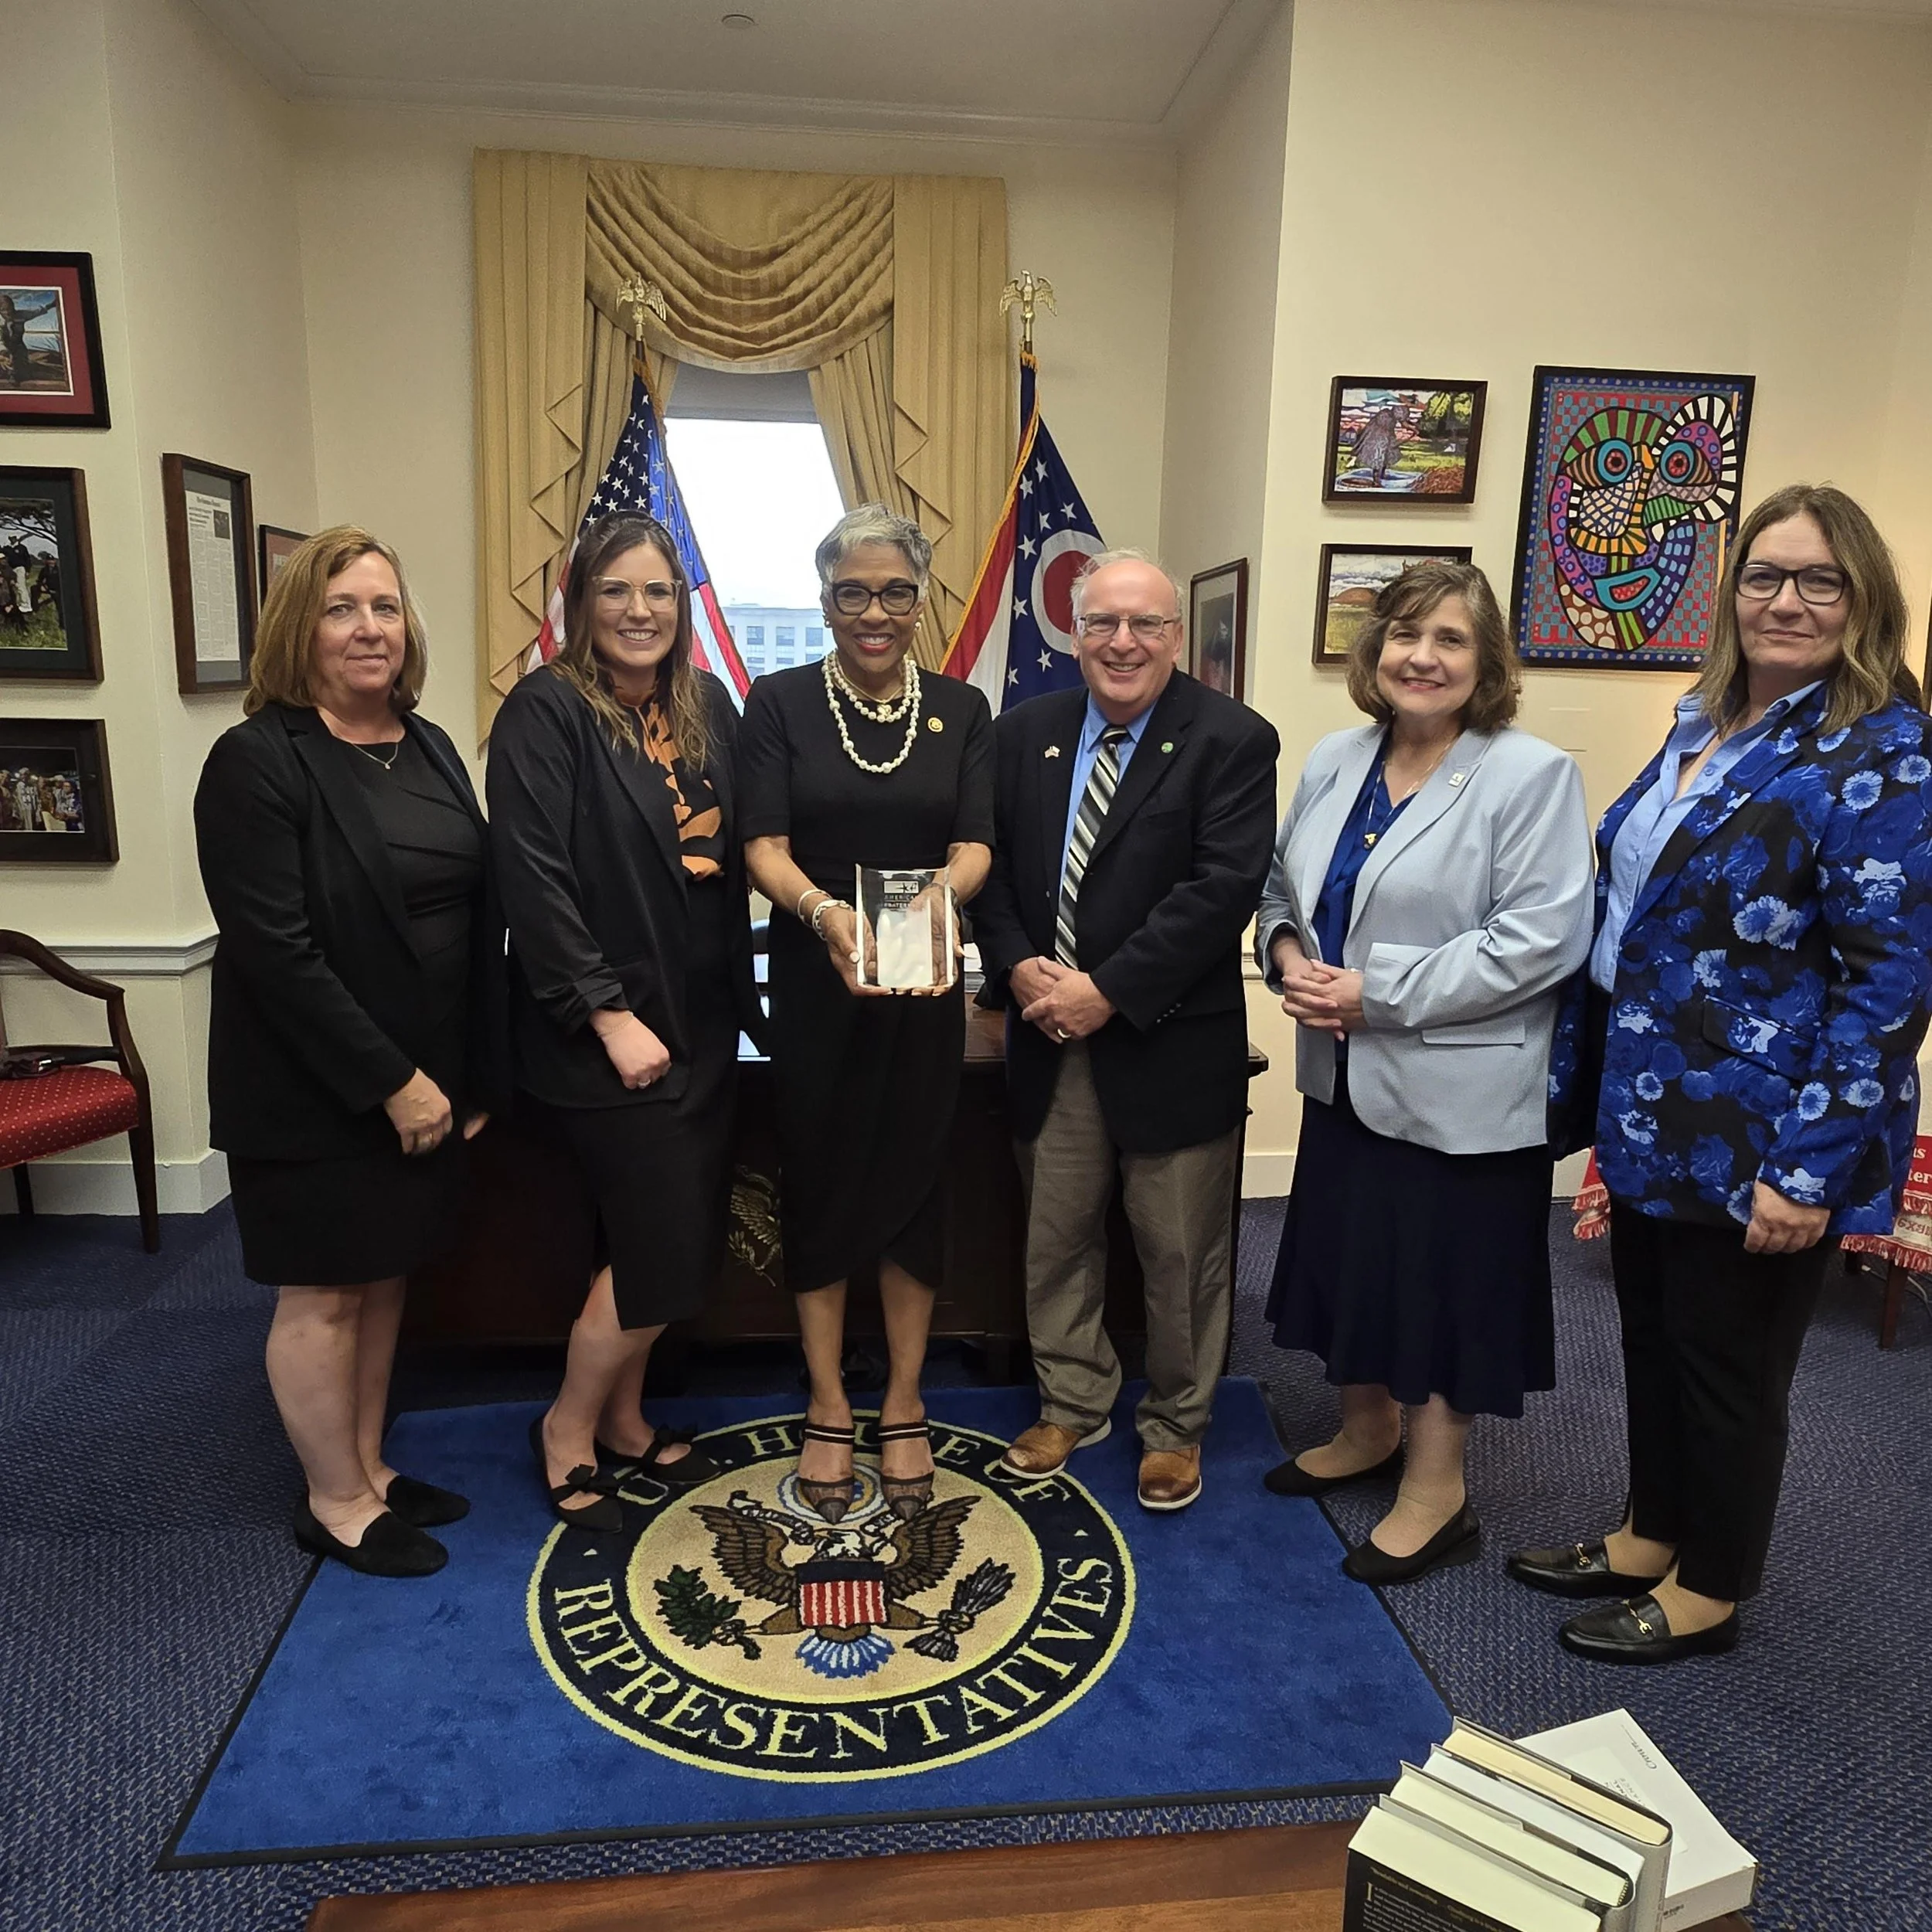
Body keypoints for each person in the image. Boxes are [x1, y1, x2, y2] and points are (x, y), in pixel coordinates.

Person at [1515, 483, 1932, 1662]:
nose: (1786, 601)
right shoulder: (1705, 721)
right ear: (1731, 591)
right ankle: (1652, 1532)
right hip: (1653, 1107)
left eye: (1819, 580)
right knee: (1654, 1339)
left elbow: (1891, 987)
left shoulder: (1884, 751)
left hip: (1764, 1130)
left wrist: (1810, 1169)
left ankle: (1709, 1589)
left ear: (1862, 599)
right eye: (1764, 576)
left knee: (1731, 1369)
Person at [1256, 560, 1594, 1583]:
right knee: (1354, 1264)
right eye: (1405, 634)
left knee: (1445, 1290)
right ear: (1375, 651)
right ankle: (1367, 1432)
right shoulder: (1336, 758)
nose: (1423, 657)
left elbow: (1541, 941)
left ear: (1486, 660)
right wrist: (1285, 955)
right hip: (1342, 1075)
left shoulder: (1529, 774)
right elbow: (1280, 887)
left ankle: (1436, 1493)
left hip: (1462, 1093)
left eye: (1450, 638)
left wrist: (1379, 993)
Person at [195, 528, 507, 1577]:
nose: (369, 628)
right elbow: (275, 953)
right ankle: (331, 1499)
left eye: (384, 606)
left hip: (426, 1081)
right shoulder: (256, 761)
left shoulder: (426, 743)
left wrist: (466, 1075)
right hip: (314, 1089)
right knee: (322, 1294)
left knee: (383, 1281)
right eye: (341, 609)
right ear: (301, 629)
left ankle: (369, 1466)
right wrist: (393, 1082)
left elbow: (475, 919)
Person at [973, 549, 1277, 1512]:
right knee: (1056, 1236)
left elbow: (1220, 891)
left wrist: (1105, 990)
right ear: (1073, 633)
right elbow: (991, 870)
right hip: (1047, 1034)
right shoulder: (1022, 733)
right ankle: (1073, 1398)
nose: (1122, 641)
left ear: (1175, 635)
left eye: (1145, 623)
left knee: (1180, 1252)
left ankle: (1177, 1424)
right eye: (1102, 622)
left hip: (1168, 1037)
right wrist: (1015, 965)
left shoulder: (1232, 738)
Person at [489, 512, 765, 1529]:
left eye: (657, 591)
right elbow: (534, 881)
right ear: (580, 601)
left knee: (674, 1238)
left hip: (702, 1018)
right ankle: (566, 1428)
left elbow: (749, 843)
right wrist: (607, 1015)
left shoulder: (709, 704)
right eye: (616, 590)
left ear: (681, 605)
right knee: (658, 1244)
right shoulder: (546, 711)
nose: (639, 610)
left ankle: (624, 1418)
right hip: (607, 1027)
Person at [741, 505, 993, 1523]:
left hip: (921, 987)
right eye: (853, 591)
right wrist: (824, 915)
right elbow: (763, 846)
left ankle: (904, 1397)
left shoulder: (962, 709)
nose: (874, 612)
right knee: (820, 1181)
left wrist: (934, 906)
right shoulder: (779, 702)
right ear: (825, 599)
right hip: (816, 981)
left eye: (894, 591)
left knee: (913, 1183)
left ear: (921, 598)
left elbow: (975, 845)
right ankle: (827, 1400)